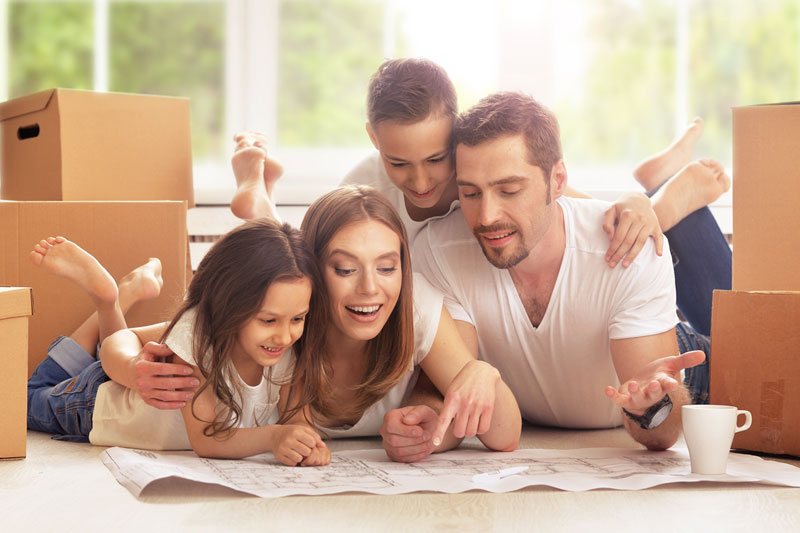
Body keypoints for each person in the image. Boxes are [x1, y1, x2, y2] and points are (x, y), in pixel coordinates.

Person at [404, 91, 727, 453]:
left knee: (755, 352)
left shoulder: (625, 249)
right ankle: (661, 193)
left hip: (683, 359)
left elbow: (663, 435)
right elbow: (455, 382)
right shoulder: (438, 251)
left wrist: (649, 406)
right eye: (471, 194)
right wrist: (428, 423)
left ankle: (672, 203)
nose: (487, 216)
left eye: (509, 190)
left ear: (558, 181)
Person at [102, 187, 522, 464]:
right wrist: (136, 373)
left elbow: (505, 435)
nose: (370, 289)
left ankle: (256, 192)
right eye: (344, 268)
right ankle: (116, 295)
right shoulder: (277, 322)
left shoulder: (413, 307)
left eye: (388, 266)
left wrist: (480, 373)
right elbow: (124, 344)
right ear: (311, 273)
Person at [230, 57, 667, 267]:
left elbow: (563, 200)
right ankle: (258, 194)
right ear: (373, 139)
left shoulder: (480, 173)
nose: (420, 181)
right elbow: (302, 262)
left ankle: (262, 187)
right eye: (398, 162)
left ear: (454, 134)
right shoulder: (363, 186)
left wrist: (635, 201)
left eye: (437, 159)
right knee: (292, 268)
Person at [29, 221, 331, 466]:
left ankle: (119, 298)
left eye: (297, 318)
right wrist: (274, 438)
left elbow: (298, 419)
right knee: (23, 399)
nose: (285, 335)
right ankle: (109, 300)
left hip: (124, 383)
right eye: (268, 321)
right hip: (93, 406)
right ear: (228, 307)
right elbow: (207, 439)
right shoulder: (197, 340)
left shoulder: (290, 349)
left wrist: (307, 444)